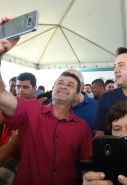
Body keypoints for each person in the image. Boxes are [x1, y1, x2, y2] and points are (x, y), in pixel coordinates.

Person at [0, 15, 92, 185]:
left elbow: (86, 166)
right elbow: (1, 95)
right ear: (53, 87)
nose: (64, 86)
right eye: (60, 82)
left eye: (71, 85)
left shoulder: (82, 127)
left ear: (77, 95)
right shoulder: (31, 110)